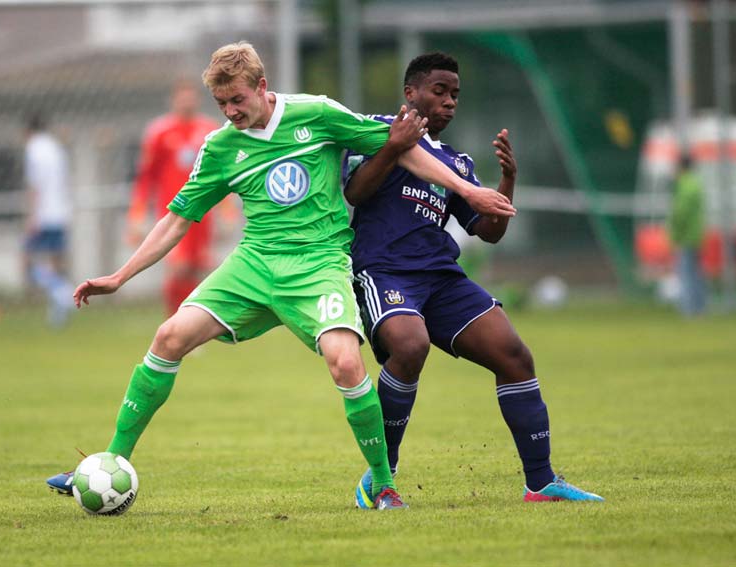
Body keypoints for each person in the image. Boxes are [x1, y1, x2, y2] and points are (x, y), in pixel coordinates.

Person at [46, 41, 516, 510]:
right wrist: (120, 277)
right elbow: (176, 218)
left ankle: (383, 485)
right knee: (168, 337)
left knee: (347, 364)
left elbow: (400, 146)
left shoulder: (317, 113)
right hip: (254, 264)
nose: (230, 112)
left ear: (262, 87)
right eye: (222, 104)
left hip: (319, 264)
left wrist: (466, 192)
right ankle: (112, 461)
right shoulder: (220, 147)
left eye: (237, 100)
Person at [343, 52, 603, 505]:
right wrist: (391, 145)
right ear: (411, 93)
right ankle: (380, 479)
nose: (449, 102)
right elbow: (355, 191)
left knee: (515, 356)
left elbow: (489, 232)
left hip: (441, 277)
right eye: (439, 91)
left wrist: (507, 181)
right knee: (409, 345)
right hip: (385, 270)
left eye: (455, 95)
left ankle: (540, 483)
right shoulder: (376, 129)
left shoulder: (458, 164)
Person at [127, 80, 222, 316]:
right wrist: (137, 215)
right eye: (182, 97)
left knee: (196, 268)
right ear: (173, 100)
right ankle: (175, 320)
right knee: (178, 266)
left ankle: (191, 324)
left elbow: (221, 174)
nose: (187, 102)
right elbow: (146, 178)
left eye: (191, 97)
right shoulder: (159, 132)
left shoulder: (209, 130)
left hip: (204, 213)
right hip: (173, 210)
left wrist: (227, 211)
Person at [24, 112, 74, 327]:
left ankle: (63, 292)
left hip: (44, 214)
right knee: (55, 262)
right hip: (61, 211)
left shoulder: (33, 149)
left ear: (27, 131)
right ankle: (57, 314)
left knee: (26, 260)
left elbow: (35, 186)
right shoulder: (56, 148)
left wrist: (32, 216)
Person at [668, 153, 706, 316]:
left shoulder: (684, 185)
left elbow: (680, 213)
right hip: (696, 234)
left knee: (686, 273)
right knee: (695, 273)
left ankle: (689, 309)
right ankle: (699, 306)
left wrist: (673, 233)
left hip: (686, 236)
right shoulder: (696, 184)